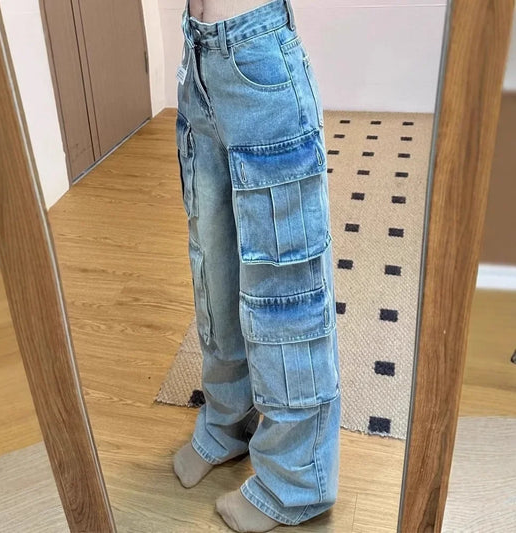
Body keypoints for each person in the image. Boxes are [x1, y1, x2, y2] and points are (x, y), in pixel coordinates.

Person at [172, 1, 341, 531]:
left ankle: (295, 480)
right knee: (214, 273)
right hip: (198, 59)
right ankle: (228, 420)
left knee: (283, 289)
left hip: (259, 57)